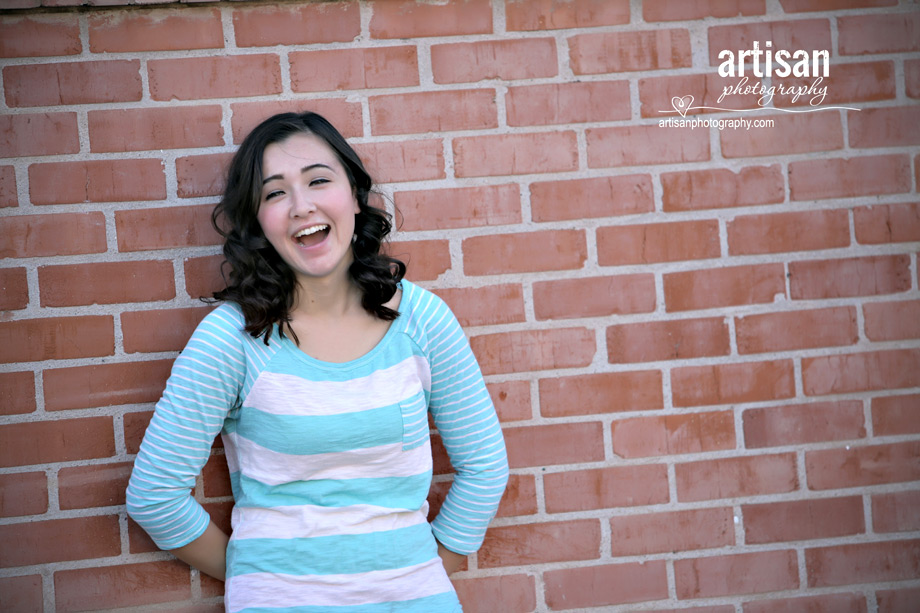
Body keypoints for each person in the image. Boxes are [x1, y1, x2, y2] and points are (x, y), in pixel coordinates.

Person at [126, 111, 509, 612]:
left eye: (318, 181)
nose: (301, 205)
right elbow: (155, 494)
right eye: (275, 192)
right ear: (258, 219)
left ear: (353, 193)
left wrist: (422, 572)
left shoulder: (422, 321)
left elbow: (485, 468)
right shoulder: (232, 338)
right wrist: (258, 574)